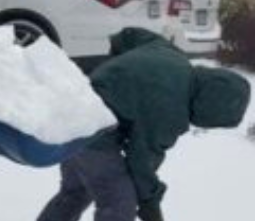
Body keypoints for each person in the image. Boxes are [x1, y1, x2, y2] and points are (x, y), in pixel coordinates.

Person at [37, 27, 250, 221]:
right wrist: (150, 206)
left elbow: (130, 36)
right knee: (119, 203)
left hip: (71, 110)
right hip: (92, 131)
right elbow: (141, 161)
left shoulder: (172, 55)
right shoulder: (172, 109)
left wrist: (117, 74)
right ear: (211, 109)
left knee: (75, 192)